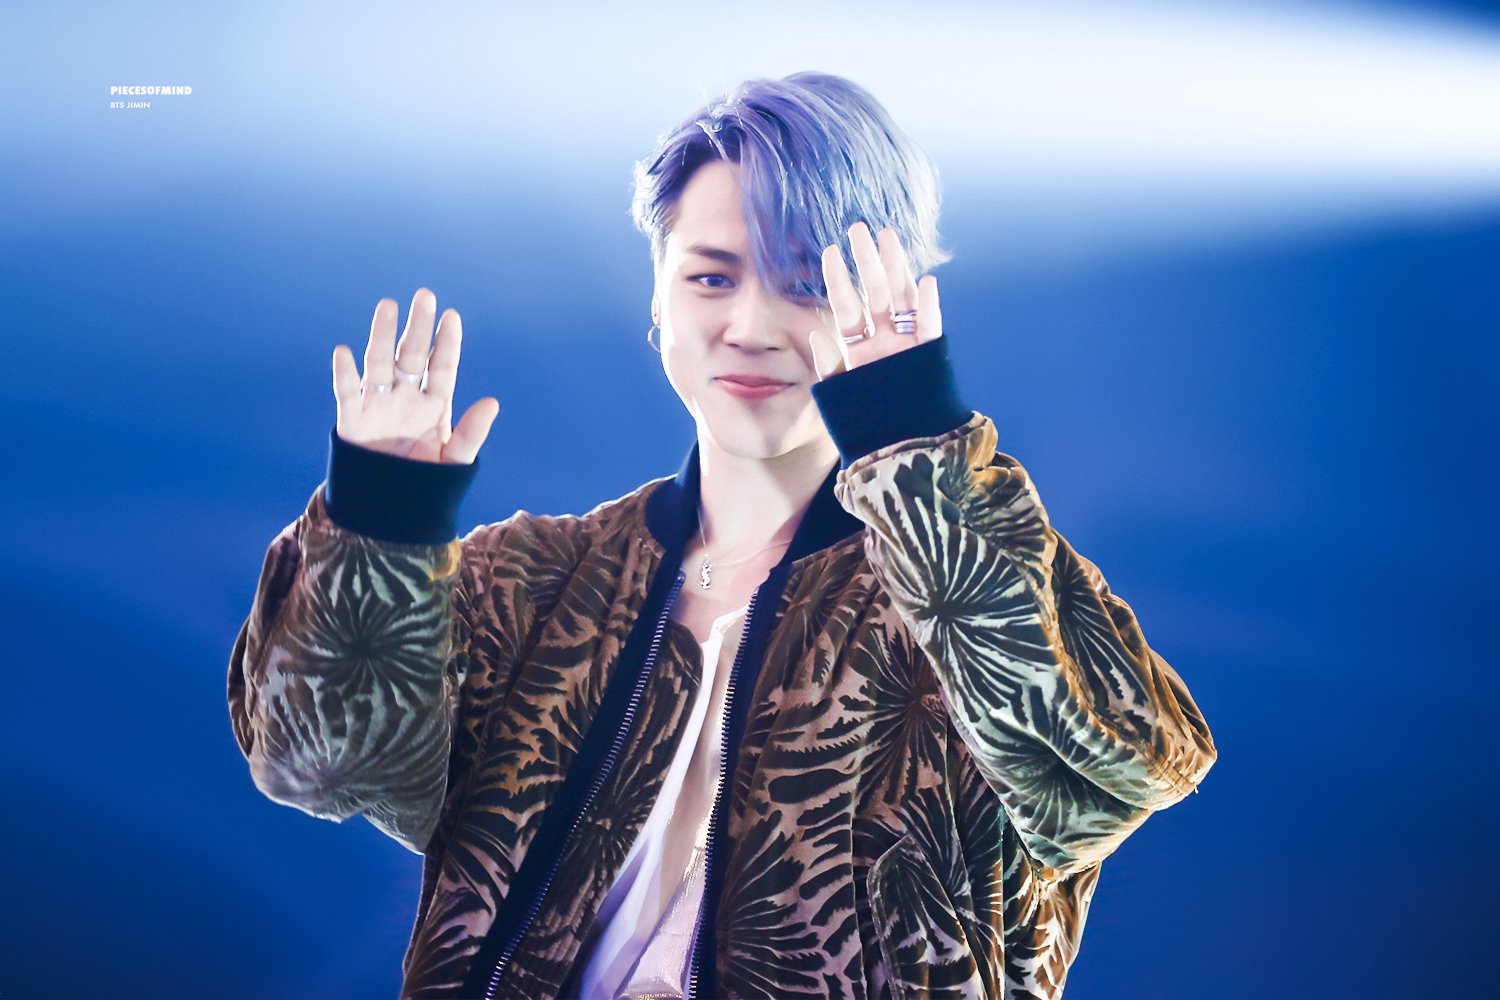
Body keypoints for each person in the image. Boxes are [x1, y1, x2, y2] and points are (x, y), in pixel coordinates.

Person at [228, 71, 1217, 1000]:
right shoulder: (530, 582)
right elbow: (324, 764)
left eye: (805, 281)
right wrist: (381, 527)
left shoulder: (967, 593)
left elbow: (1109, 774)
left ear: (892, 299)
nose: (751, 324)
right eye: (710, 277)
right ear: (656, 297)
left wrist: (918, 452)